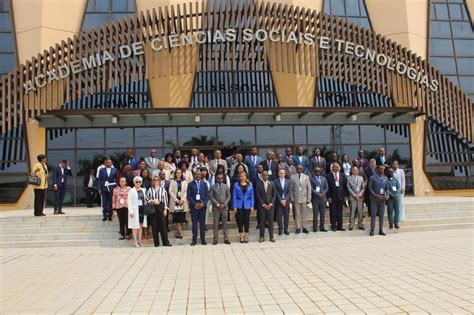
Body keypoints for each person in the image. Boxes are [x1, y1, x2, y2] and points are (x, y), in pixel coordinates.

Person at [146, 176, 172, 247]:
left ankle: (166, 242)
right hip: (153, 207)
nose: (156, 181)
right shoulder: (150, 190)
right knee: (154, 225)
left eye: (158, 180)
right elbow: (147, 199)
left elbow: (166, 200)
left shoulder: (163, 190)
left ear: (160, 181)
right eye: (155, 180)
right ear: (153, 181)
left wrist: (165, 209)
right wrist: (152, 201)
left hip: (161, 207)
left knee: (163, 225)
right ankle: (156, 243)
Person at [187, 170, 209, 246]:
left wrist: (204, 203)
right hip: (194, 207)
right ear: (194, 175)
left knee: (202, 224)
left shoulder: (204, 184)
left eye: (199, 174)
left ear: (201, 175)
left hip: (203, 207)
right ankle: (194, 240)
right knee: (194, 225)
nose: (198, 175)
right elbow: (189, 196)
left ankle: (203, 240)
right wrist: (194, 203)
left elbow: (207, 195)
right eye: (197, 174)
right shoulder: (190, 184)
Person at [232, 172, 254, 243]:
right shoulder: (236, 185)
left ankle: (246, 235)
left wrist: (252, 205)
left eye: (243, 176)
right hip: (239, 205)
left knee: (246, 221)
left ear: (246, 177)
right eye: (241, 176)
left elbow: (252, 196)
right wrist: (234, 206)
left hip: (247, 205)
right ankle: (241, 236)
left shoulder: (250, 184)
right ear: (239, 177)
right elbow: (234, 196)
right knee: (240, 221)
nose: (242, 177)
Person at [209, 174, 231, 245]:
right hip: (216, 208)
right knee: (215, 224)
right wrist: (218, 204)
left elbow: (228, 196)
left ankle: (226, 238)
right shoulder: (213, 187)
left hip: (224, 207)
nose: (220, 179)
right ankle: (215, 239)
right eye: (218, 178)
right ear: (216, 179)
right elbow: (211, 197)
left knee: (225, 223)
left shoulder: (226, 186)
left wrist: (224, 204)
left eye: (221, 178)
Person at [256, 171, 276, 242]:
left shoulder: (272, 183)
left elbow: (274, 195)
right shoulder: (258, 184)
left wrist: (270, 204)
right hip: (262, 206)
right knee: (262, 222)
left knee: (270, 222)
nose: (265, 176)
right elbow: (258, 196)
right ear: (262, 176)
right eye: (263, 175)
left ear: (268, 176)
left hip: (270, 206)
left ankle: (271, 237)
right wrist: (264, 205)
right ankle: (261, 237)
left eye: (266, 175)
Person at [290, 165, 311, 234]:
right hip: (296, 199)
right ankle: (298, 227)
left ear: (302, 169)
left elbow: (309, 188)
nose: (299, 169)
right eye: (298, 168)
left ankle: (304, 227)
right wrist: (292, 198)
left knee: (304, 213)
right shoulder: (292, 177)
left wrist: (309, 198)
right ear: (296, 169)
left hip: (304, 198)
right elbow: (291, 189)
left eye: (300, 168)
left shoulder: (306, 177)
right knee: (297, 214)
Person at [326, 163, 348, 232]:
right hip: (332, 197)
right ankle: (333, 226)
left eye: (336, 167)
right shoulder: (328, 176)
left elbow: (345, 186)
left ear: (339, 168)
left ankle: (340, 226)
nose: (335, 168)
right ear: (332, 168)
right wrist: (328, 197)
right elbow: (327, 188)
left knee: (340, 212)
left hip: (341, 196)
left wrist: (345, 196)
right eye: (334, 167)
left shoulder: (343, 175)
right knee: (332, 212)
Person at [368, 165, 388, 236]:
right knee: (373, 215)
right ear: (377, 169)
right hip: (374, 199)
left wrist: (387, 195)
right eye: (380, 168)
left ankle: (380, 230)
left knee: (381, 215)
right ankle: (372, 230)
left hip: (382, 199)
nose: (382, 169)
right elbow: (370, 188)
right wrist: (375, 195)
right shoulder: (372, 177)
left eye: (383, 168)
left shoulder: (386, 178)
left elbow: (387, 189)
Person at [168, 169, 188, 239]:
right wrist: (176, 199)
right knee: (177, 219)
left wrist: (183, 199)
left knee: (181, 219)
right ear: (175, 174)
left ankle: (178, 232)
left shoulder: (184, 182)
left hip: (182, 202)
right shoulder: (172, 181)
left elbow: (186, 191)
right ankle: (181, 233)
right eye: (177, 172)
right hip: (175, 202)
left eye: (180, 172)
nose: (179, 173)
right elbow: (170, 191)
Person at [127, 176, 145, 247]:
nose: (138, 183)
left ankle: (140, 241)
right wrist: (130, 211)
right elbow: (129, 201)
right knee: (134, 227)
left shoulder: (143, 190)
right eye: (136, 182)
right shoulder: (131, 190)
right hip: (134, 211)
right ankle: (135, 241)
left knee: (140, 226)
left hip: (141, 210)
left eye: (139, 182)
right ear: (134, 182)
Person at [310, 166, 328, 232]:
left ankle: (322, 227)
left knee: (322, 213)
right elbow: (311, 188)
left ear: (320, 172)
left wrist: (322, 193)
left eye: (319, 171)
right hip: (315, 198)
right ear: (314, 172)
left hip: (323, 198)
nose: (317, 172)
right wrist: (318, 194)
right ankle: (315, 227)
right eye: (316, 171)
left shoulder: (324, 178)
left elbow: (326, 187)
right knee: (315, 213)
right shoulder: (311, 179)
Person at [347, 166, 365, 231]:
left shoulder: (361, 178)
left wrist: (359, 195)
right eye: (353, 170)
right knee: (352, 212)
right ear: (352, 171)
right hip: (353, 198)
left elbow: (363, 188)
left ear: (358, 171)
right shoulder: (349, 178)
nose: (355, 171)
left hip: (360, 198)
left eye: (356, 170)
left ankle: (360, 225)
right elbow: (348, 187)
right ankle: (351, 225)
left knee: (360, 212)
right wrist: (355, 195)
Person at [274, 169, 291, 235]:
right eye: (281, 173)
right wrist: (281, 200)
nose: (282, 174)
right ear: (278, 174)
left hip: (286, 202)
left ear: (285, 174)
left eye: (283, 173)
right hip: (279, 202)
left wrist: (285, 200)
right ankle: (280, 229)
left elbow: (289, 192)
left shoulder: (288, 181)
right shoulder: (275, 181)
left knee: (286, 216)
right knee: (279, 217)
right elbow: (276, 192)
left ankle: (286, 229)